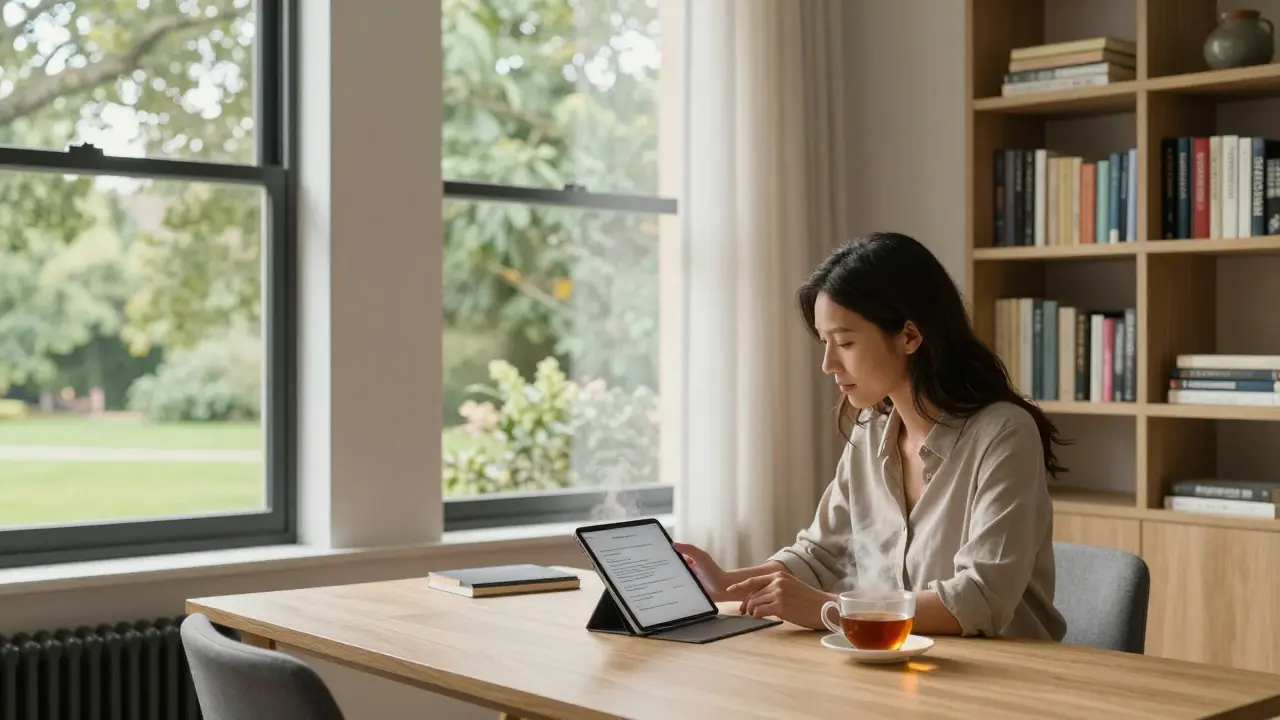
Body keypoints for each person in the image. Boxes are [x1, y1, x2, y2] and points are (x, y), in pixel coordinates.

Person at [674, 232, 1069, 641]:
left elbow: (981, 597)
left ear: (910, 336)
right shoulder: (871, 433)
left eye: (844, 342)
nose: (828, 363)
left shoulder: (1004, 435)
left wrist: (828, 609)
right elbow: (821, 554)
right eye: (824, 342)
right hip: (899, 668)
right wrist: (725, 585)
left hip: (1006, 682)